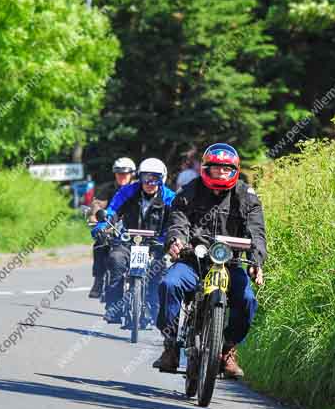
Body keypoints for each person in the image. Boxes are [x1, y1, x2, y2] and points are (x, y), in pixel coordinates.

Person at [153, 142, 266, 378]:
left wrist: (256, 261)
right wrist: (176, 241)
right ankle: (171, 346)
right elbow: (178, 220)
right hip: (193, 260)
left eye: (226, 169)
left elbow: (256, 232)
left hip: (230, 264)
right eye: (216, 168)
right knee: (169, 284)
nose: (221, 173)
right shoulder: (190, 190)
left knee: (247, 299)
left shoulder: (246, 196)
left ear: (234, 170)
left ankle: (227, 350)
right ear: (206, 168)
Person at [91, 158, 175, 324]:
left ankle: (154, 309)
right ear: (139, 177)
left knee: (158, 274)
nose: (150, 183)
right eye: (146, 178)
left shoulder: (170, 197)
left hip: (156, 242)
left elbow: (176, 221)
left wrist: (169, 238)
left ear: (162, 179)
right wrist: (101, 226)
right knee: (116, 260)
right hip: (128, 239)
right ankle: (113, 307)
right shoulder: (127, 191)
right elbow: (112, 211)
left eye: (155, 178)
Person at [87, 157, 136, 299]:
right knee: (100, 243)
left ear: (132, 173)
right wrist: (95, 220)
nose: (121, 176)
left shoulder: (138, 189)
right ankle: (98, 279)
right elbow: (97, 206)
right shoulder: (107, 189)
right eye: (118, 173)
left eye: (125, 173)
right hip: (112, 226)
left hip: (135, 228)